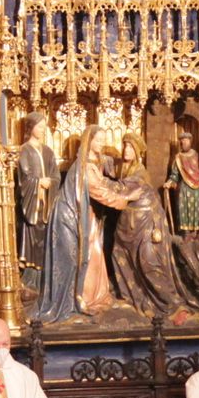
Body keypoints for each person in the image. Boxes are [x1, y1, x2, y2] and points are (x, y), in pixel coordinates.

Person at [34, 125, 135, 324]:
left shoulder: (94, 162)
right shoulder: (85, 166)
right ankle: (84, 298)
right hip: (71, 217)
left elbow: (106, 180)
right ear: (89, 141)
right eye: (98, 140)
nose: (102, 143)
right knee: (85, 256)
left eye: (103, 139)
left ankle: (97, 296)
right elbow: (99, 191)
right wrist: (126, 200)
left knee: (94, 253)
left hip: (87, 216)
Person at [108, 132, 199, 325]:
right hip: (128, 226)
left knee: (150, 264)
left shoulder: (139, 173)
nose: (126, 150)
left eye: (130, 147)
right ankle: (132, 296)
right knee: (119, 256)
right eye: (125, 146)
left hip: (147, 224)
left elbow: (119, 189)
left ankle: (173, 305)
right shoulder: (124, 169)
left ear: (137, 152)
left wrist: (95, 179)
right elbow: (112, 172)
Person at [16, 113, 59, 301]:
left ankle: (45, 282)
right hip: (32, 205)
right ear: (31, 127)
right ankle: (30, 281)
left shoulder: (48, 151)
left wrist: (51, 182)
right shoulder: (24, 150)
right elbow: (24, 178)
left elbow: (56, 176)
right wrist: (38, 182)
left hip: (45, 206)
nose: (43, 130)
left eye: (44, 126)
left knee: (45, 242)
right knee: (31, 242)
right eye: (39, 126)